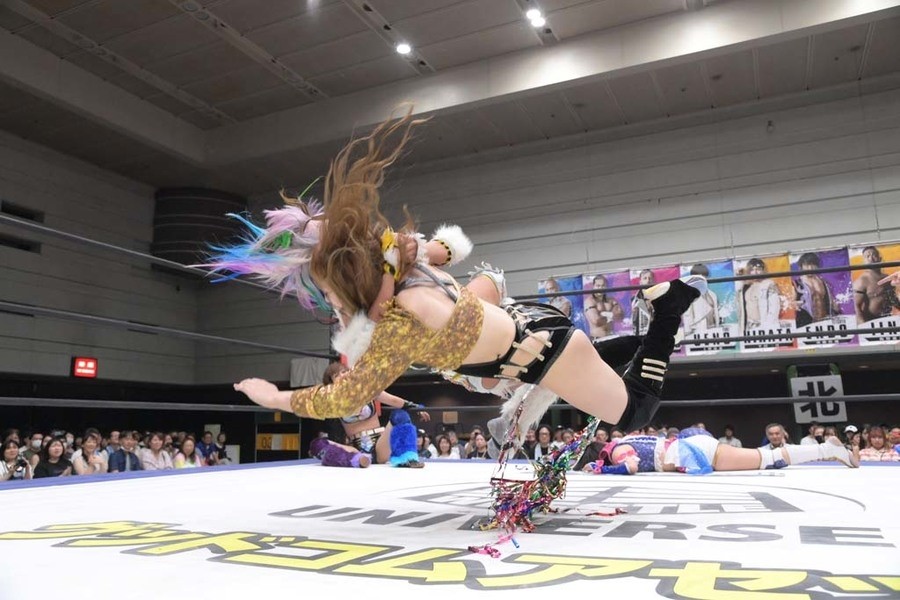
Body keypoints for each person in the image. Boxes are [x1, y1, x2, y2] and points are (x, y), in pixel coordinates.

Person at [219, 109, 703, 445]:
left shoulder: (401, 319)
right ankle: (651, 332)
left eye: (329, 294)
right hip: (533, 342)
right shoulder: (410, 268)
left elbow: (347, 395)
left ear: (346, 282)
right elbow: (447, 249)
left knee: (635, 411)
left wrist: (275, 395)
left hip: (541, 350)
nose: (332, 306)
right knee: (582, 369)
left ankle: (669, 308)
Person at [584, 428, 858, 475]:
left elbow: (629, 466)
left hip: (692, 451)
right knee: (765, 458)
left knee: (767, 458)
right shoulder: (625, 440)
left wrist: (602, 470)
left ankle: (828, 449)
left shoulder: (617, 449)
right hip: (691, 448)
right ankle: (827, 449)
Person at [321, 361, 430, 467]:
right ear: (332, 383)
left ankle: (407, 458)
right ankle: (356, 460)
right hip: (357, 451)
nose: (342, 376)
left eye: (344, 372)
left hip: (380, 446)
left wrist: (416, 408)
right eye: (336, 376)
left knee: (400, 415)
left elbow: (393, 401)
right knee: (319, 444)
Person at [853, 247, 900, 323]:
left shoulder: (887, 278)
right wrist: (863, 325)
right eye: (867, 256)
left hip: (888, 319)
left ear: (879, 258)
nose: (871, 258)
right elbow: (856, 306)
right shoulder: (861, 281)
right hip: (870, 321)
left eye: (874, 255)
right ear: (864, 261)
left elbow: (893, 299)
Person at [793, 253, 838, 326]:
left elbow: (833, 304)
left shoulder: (824, 283)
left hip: (824, 324)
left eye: (812, 265)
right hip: (806, 325)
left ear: (817, 266)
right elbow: (790, 305)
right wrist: (793, 305)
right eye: (807, 265)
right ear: (801, 266)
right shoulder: (796, 284)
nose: (810, 268)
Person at [738, 258, 781, 331]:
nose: (755, 272)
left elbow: (774, 308)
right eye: (752, 270)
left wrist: (768, 327)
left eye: (758, 269)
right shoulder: (745, 287)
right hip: (749, 327)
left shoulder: (769, 284)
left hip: (764, 327)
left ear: (763, 270)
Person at [583, 274, 625, 339]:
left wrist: (604, 314)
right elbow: (596, 321)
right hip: (597, 338)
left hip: (611, 337)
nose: (600, 288)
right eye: (598, 286)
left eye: (603, 286)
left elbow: (620, 316)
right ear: (593, 286)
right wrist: (611, 315)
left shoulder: (611, 300)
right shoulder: (589, 301)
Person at [683, 264, 719, 334]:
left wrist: (717, 328)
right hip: (696, 330)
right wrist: (687, 331)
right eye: (699, 277)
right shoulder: (689, 295)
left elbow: (716, 313)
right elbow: (687, 315)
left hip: (712, 330)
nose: (702, 279)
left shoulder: (712, 294)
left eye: (704, 277)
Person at [631, 269, 656, 335]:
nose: (648, 280)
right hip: (641, 334)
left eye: (650, 278)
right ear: (640, 282)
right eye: (645, 278)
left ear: (653, 281)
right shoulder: (633, 300)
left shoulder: (660, 297)